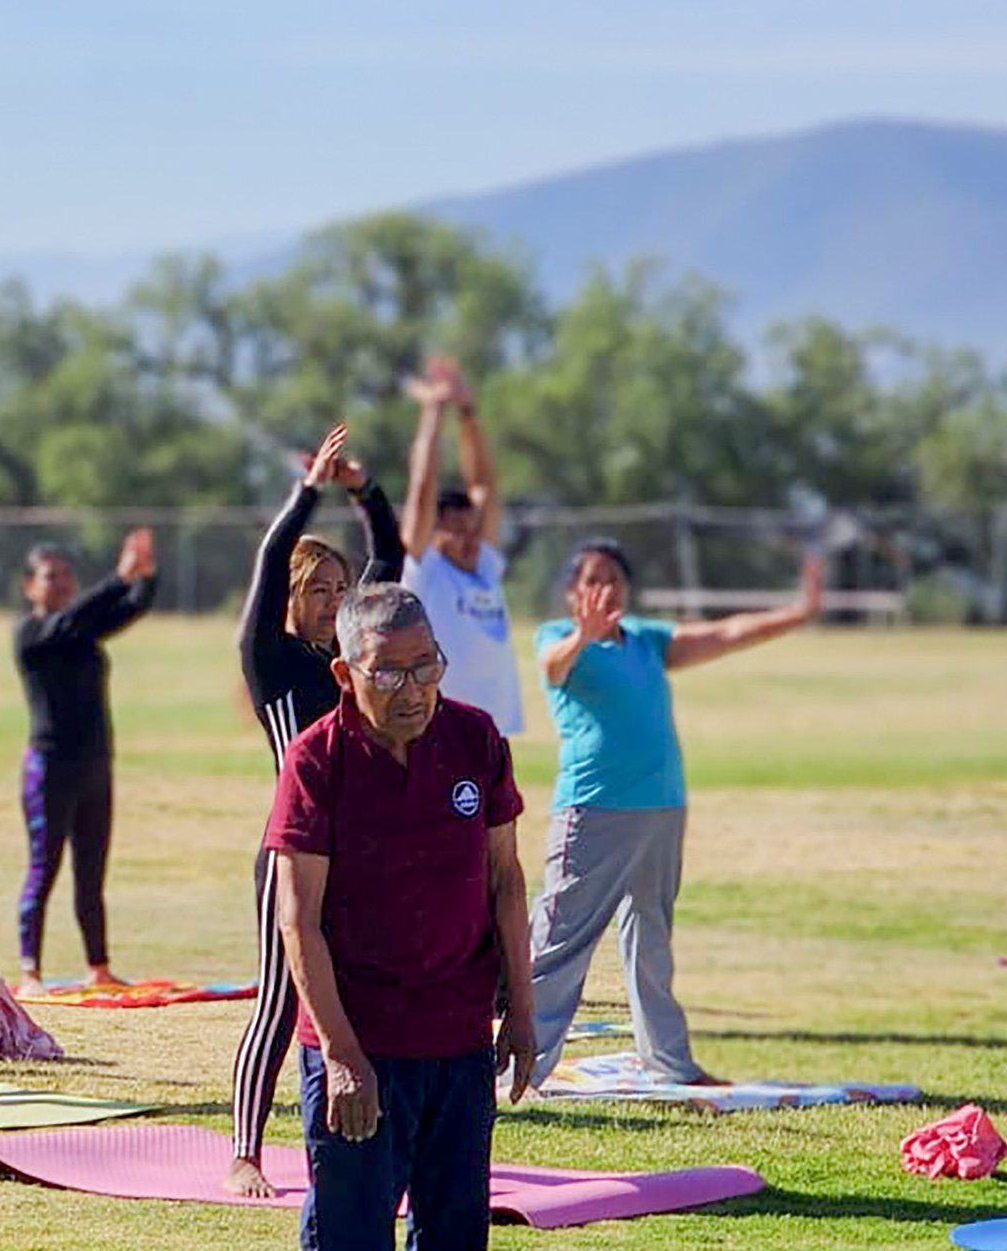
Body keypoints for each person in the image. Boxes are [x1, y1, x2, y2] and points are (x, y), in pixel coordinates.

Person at [270, 583, 532, 1251]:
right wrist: (345, 1057)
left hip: (456, 1043)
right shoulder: (316, 758)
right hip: (360, 1050)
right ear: (347, 674)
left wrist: (522, 1010)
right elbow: (297, 919)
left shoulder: (476, 740)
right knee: (351, 1248)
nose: (414, 689)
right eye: (389, 673)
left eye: (427, 667)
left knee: (454, 1242)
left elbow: (506, 881)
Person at [527, 542, 823, 1085]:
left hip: (660, 808)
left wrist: (798, 613)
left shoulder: (646, 640)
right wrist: (581, 637)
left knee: (651, 940)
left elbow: (726, 634)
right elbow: (551, 667)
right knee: (559, 942)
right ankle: (516, 1066)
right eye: (592, 578)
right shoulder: (557, 639)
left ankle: (669, 1064)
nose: (605, 588)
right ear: (572, 591)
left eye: (615, 577)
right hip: (594, 811)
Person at [226, 423, 407, 1198]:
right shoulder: (270, 660)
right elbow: (270, 563)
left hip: (360, 849)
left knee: (364, 989)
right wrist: (309, 492)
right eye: (320, 591)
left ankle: (368, 1133)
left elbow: (391, 560)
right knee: (279, 998)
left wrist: (365, 492)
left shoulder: (351, 661)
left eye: (341, 590)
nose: (336, 600)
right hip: (292, 849)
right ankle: (245, 1152)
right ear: (293, 600)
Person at [9, 528, 158, 995]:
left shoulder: (83, 633)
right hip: (49, 770)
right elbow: (71, 618)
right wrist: (118, 577)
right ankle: (30, 971)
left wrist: (146, 576)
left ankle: (99, 966)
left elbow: (130, 608)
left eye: (67, 576)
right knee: (43, 868)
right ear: (30, 586)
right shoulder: (31, 635)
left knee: (91, 874)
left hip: (95, 767)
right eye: (50, 577)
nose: (61, 583)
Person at [397, 357, 521, 735]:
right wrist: (434, 413)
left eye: (472, 530)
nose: (470, 540)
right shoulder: (426, 569)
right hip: (440, 729)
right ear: (434, 533)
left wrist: (467, 412)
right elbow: (423, 488)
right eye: (455, 531)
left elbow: (484, 484)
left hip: (491, 730)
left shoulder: (484, 565)